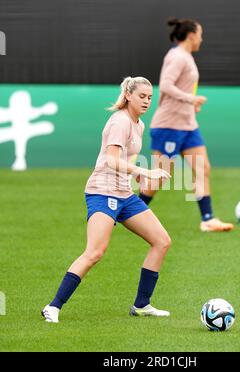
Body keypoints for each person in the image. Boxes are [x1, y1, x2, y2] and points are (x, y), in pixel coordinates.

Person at [41, 77, 172, 323]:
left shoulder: (138, 124)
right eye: (142, 96)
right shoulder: (120, 121)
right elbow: (111, 160)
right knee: (95, 252)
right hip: (102, 192)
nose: (146, 101)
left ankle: (142, 305)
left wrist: (138, 180)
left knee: (162, 241)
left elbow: (127, 160)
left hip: (124, 193)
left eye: (150, 98)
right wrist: (146, 173)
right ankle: (53, 306)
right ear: (129, 96)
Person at [139, 18, 234, 232]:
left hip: (188, 125)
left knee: (203, 168)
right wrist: (190, 99)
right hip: (169, 125)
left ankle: (207, 219)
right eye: (200, 34)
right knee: (159, 176)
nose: (202, 38)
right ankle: (130, 213)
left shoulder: (186, 57)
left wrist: (191, 105)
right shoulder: (177, 57)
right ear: (191, 36)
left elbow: (180, 88)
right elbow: (165, 84)